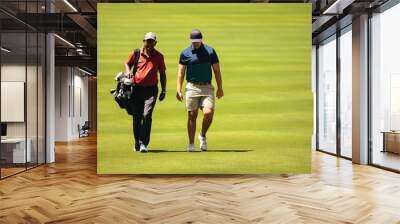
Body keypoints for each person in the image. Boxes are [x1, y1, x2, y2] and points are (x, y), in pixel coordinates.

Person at [176, 29, 224, 152]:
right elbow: (181, 73)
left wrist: (220, 88)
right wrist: (178, 89)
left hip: (207, 87)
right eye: (194, 41)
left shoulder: (210, 51)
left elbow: (217, 70)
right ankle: (191, 143)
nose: (196, 43)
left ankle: (202, 135)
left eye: (197, 41)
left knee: (208, 113)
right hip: (192, 87)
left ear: (201, 39)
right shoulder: (185, 53)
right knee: (192, 115)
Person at [124, 32, 167, 153]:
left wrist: (163, 90)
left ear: (155, 43)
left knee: (147, 115)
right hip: (136, 90)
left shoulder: (159, 56)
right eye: (147, 41)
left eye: (151, 41)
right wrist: (127, 71)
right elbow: (127, 63)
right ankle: (137, 141)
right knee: (137, 117)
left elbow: (162, 74)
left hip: (151, 90)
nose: (149, 43)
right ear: (144, 41)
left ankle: (144, 143)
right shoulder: (136, 53)